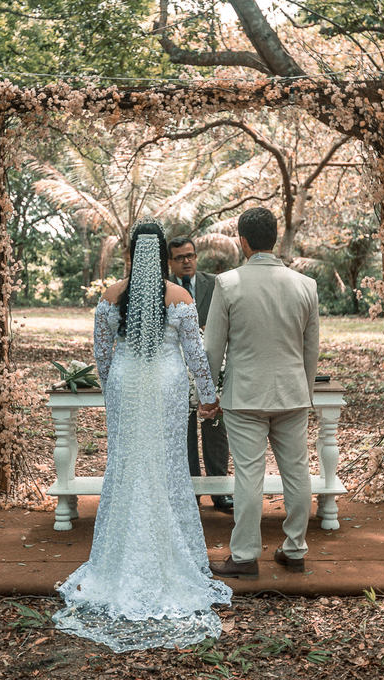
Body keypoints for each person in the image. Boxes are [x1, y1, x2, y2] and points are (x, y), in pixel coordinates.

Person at [52, 221, 232, 652]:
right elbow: (195, 355)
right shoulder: (179, 297)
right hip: (166, 384)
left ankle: (118, 558)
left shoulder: (112, 295)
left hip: (127, 384)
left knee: (128, 462)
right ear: (165, 256)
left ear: (132, 255)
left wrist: (113, 386)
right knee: (166, 463)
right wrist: (208, 397)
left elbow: (101, 354)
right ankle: (168, 553)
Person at [202, 207, 320, 579]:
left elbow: (212, 349)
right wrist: (304, 392)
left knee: (249, 477)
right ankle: (295, 549)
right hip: (292, 394)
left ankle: (244, 556)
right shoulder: (306, 285)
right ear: (275, 237)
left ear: (243, 241)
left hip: (245, 396)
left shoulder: (227, 283)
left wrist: (207, 394)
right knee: (297, 473)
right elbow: (311, 350)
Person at [168, 235, 233, 514]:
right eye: (180, 257)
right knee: (183, 430)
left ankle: (220, 491)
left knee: (215, 425)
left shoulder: (215, 283)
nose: (187, 261)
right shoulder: (164, 288)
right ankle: (190, 492)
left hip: (213, 364)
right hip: (176, 369)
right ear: (170, 262)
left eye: (190, 255)